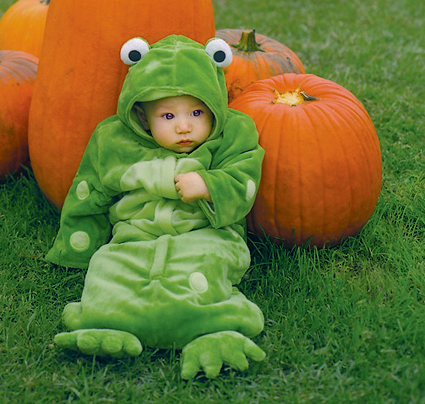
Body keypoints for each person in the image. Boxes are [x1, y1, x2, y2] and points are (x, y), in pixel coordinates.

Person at [47, 34, 266, 379]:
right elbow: (89, 192)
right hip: (134, 237)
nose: (184, 125)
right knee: (109, 266)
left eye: (197, 112)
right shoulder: (115, 140)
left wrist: (210, 185)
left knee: (205, 268)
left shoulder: (233, 135)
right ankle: (107, 323)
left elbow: (244, 178)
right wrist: (79, 246)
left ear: (215, 108)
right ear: (143, 116)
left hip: (205, 234)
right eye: (167, 115)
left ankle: (215, 330)